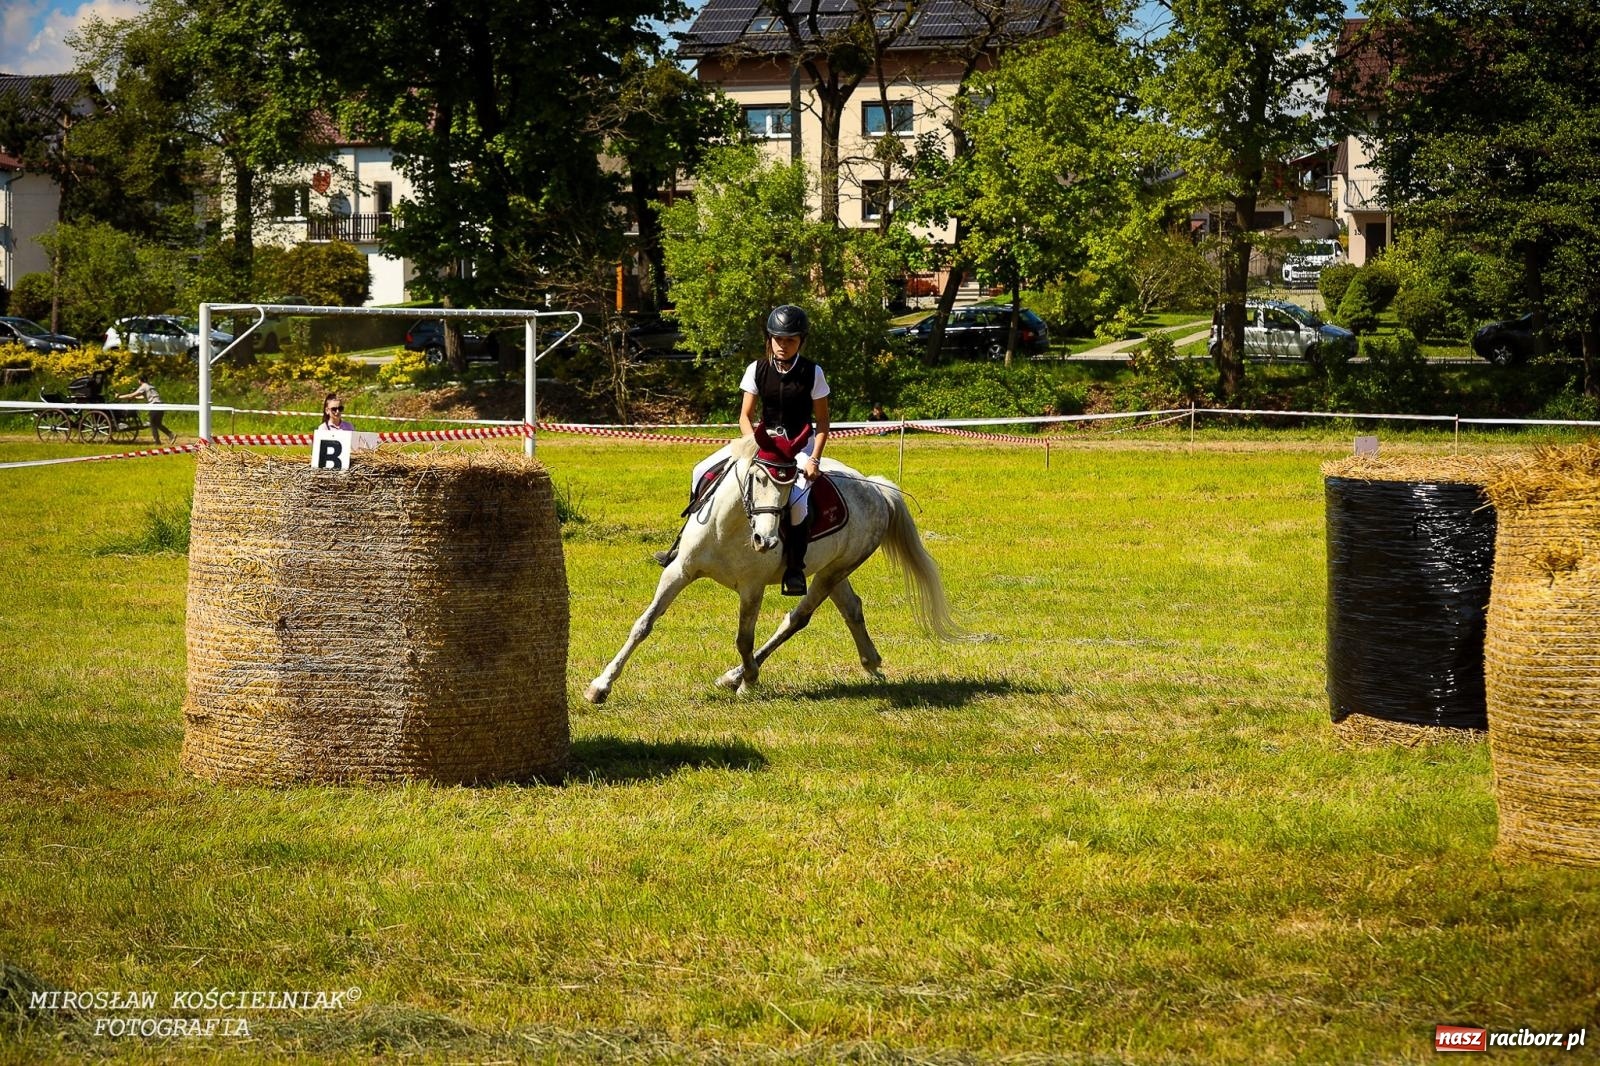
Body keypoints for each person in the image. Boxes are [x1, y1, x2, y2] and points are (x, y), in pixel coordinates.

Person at [654, 303, 830, 596]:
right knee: (700, 470)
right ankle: (683, 545)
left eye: (790, 340)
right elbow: (744, 417)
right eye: (778, 339)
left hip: (799, 446)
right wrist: (754, 444)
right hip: (761, 440)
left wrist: (814, 459)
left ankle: (795, 569)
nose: (783, 346)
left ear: (801, 340)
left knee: (798, 505)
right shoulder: (757, 369)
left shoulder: (813, 372)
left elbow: (822, 423)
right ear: (770, 338)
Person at [117, 374, 175, 443]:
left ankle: (157, 442)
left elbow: (131, 395)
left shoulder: (143, 386)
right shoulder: (150, 386)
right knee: (158, 423)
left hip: (154, 405)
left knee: (152, 423)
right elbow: (144, 397)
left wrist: (119, 396)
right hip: (160, 405)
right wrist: (135, 398)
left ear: (140, 380)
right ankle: (171, 435)